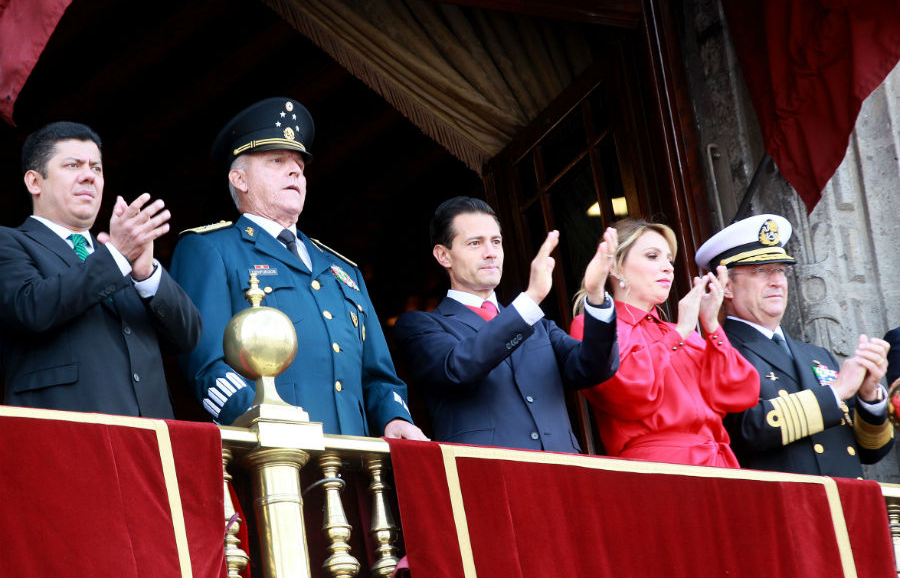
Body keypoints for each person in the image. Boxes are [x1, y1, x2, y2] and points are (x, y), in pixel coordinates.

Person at [170, 97, 425, 439]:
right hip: (272, 463)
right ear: (239, 179)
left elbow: (378, 376)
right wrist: (260, 421)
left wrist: (396, 419)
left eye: (299, 165)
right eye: (277, 160)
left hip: (357, 465)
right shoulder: (210, 250)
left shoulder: (343, 270)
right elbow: (205, 364)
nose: (295, 171)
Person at [0, 121, 202, 418]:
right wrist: (117, 256)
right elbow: (33, 307)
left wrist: (145, 273)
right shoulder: (10, 241)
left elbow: (188, 337)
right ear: (34, 182)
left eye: (96, 168)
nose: (89, 176)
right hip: (65, 435)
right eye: (72, 165)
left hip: (150, 436)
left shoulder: (117, 256)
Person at [393, 196, 619, 453]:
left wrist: (597, 296)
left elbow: (595, 368)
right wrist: (531, 298)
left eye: (496, 241)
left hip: (564, 474)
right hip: (487, 479)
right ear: (444, 255)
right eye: (475, 243)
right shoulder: (420, 324)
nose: (490, 252)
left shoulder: (539, 325)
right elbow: (457, 369)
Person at [696, 214, 894, 478]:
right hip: (784, 510)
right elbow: (745, 430)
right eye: (760, 271)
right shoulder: (717, 351)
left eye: (780, 270)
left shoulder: (816, 355)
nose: (777, 281)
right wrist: (836, 392)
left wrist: (869, 397)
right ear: (726, 286)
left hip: (846, 507)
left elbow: (872, 451)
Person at [570, 218, 759, 467]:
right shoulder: (595, 326)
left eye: (669, 260)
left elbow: (740, 392)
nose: (668, 268)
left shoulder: (682, 332)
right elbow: (626, 391)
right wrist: (679, 332)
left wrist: (711, 324)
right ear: (615, 268)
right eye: (652, 256)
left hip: (719, 465)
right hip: (657, 468)